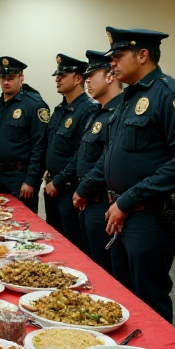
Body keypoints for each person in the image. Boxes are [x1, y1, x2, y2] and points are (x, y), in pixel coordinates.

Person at [79, 27, 175, 323]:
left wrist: (129, 200)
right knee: (122, 292)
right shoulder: (128, 98)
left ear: (143, 55)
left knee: (148, 295)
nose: (113, 64)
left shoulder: (171, 95)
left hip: (148, 214)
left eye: (118, 56)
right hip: (119, 211)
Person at [72, 50, 127, 280]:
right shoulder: (97, 112)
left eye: (92, 75)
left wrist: (83, 187)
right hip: (88, 203)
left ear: (110, 77)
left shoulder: (119, 111)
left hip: (103, 201)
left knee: (107, 273)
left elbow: (107, 159)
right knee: (91, 267)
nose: (87, 81)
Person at [42, 54, 98, 247]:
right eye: (57, 75)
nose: (57, 78)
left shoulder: (89, 109)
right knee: (54, 243)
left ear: (78, 78)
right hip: (52, 187)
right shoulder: (60, 109)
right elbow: (50, 146)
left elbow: (82, 153)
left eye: (63, 75)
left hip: (69, 189)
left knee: (73, 245)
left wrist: (58, 180)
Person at [0, 56, 49, 213]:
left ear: (21, 77)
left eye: (11, 78)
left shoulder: (34, 105)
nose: (6, 82)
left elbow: (40, 146)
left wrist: (30, 180)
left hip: (19, 177)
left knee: (22, 223)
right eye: (2, 77)